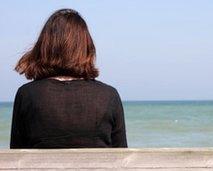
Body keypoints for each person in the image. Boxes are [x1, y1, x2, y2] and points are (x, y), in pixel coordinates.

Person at [10, 9, 127, 148]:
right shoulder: (108, 96)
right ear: (86, 47)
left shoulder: (27, 95)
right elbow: (121, 157)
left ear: (45, 46)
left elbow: (17, 156)